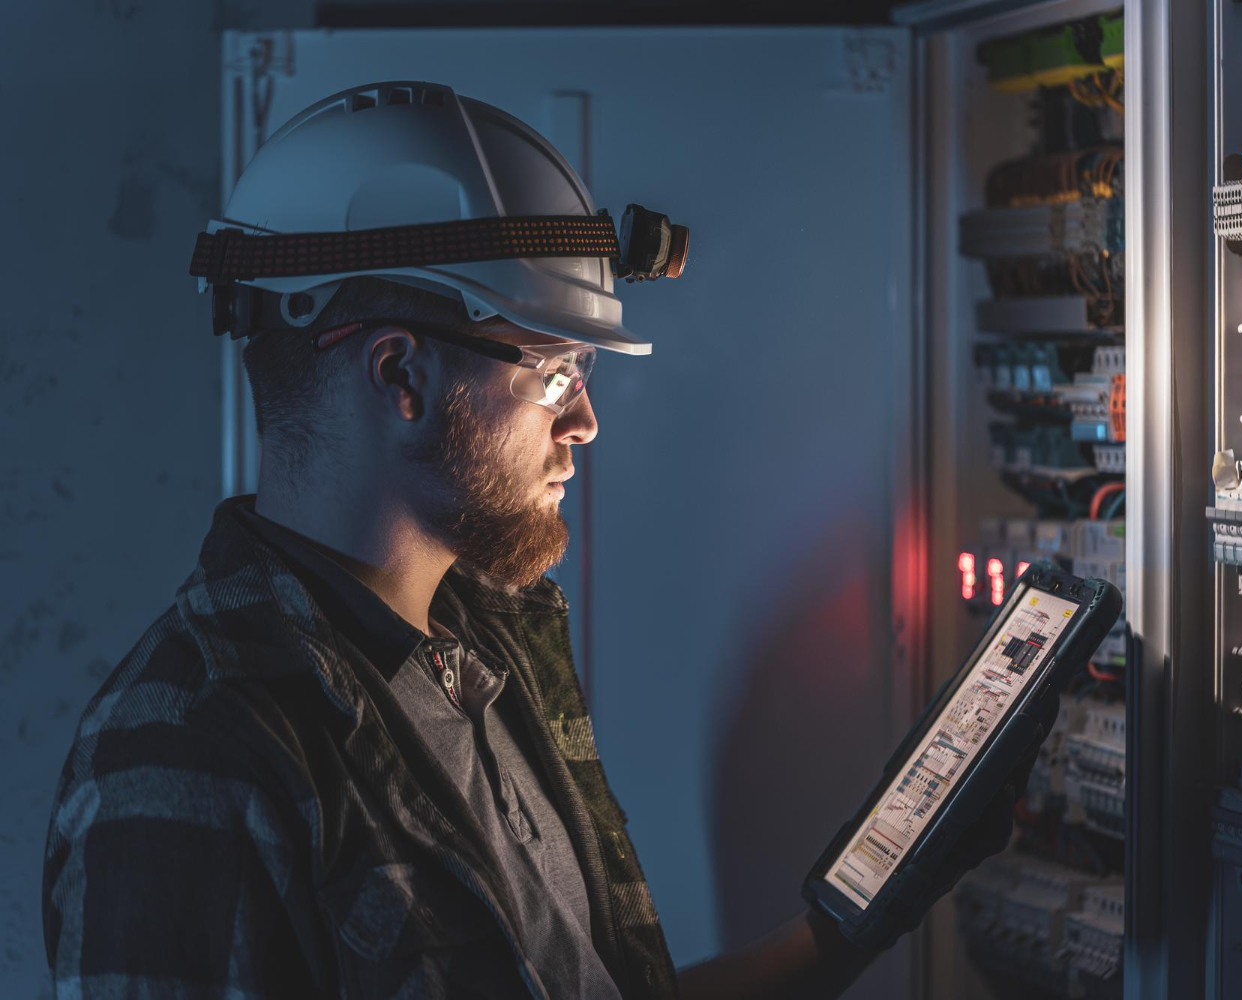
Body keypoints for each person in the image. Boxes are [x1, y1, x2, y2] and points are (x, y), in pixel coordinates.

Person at [42, 81, 1053, 999]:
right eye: (555, 374)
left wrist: (858, 914)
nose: (585, 424)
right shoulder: (188, 754)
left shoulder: (484, 650)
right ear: (400, 378)